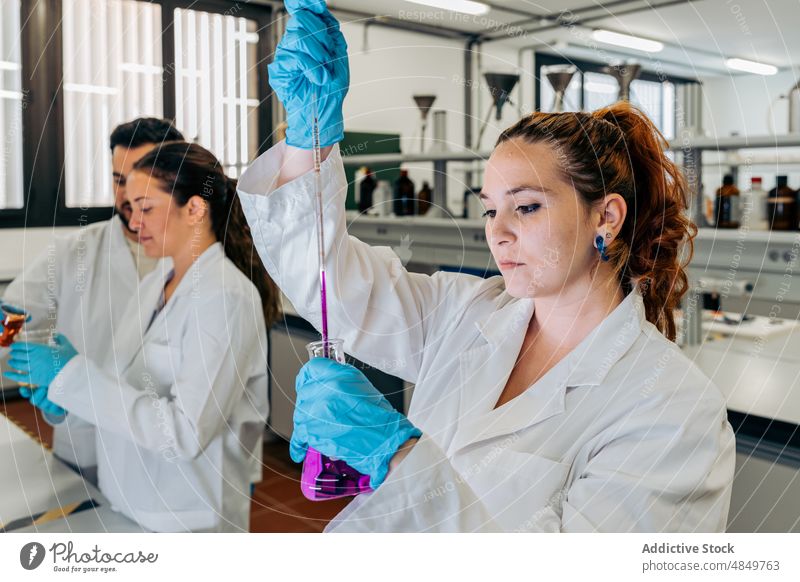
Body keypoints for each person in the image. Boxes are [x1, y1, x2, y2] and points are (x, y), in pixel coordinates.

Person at [235, 0, 735, 532]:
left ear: (606, 217)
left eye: (527, 206)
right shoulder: (466, 311)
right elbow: (329, 283)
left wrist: (398, 458)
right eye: (490, 209)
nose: (497, 231)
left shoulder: (672, 409)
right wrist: (304, 144)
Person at [6, 142, 280, 532]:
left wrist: (73, 376)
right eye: (131, 208)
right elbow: (122, 386)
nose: (134, 223)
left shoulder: (226, 297)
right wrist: (65, 400)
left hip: (185, 518)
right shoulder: (156, 284)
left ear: (195, 208)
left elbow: (184, 434)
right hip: (128, 499)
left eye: (147, 208)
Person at [2, 118, 184, 485]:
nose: (129, 195)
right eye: (119, 180)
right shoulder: (75, 252)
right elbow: (17, 312)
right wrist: (8, 333)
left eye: (142, 179)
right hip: (85, 438)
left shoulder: (200, 262)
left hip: (170, 452)